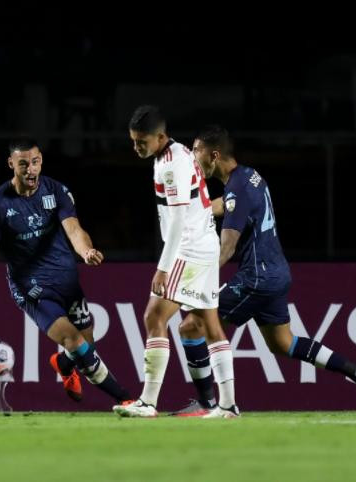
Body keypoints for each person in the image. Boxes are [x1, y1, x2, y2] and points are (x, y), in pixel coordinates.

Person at [173, 125, 356, 416]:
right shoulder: (250, 177)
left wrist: (191, 280)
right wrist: (200, 212)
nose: (194, 158)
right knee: (283, 343)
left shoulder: (237, 187)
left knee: (190, 326)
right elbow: (230, 204)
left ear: (214, 154)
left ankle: (209, 403)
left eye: (197, 151)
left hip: (256, 277)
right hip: (276, 273)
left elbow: (226, 249)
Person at [0, 137, 132, 407]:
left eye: (35, 162)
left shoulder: (56, 191)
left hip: (66, 279)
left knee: (86, 344)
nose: (30, 169)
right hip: (31, 287)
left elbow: (73, 228)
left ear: (41, 161)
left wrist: (85, 252)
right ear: (11, 164)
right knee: (74, 341)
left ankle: (62, 363)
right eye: (23, 164)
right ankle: (126, 398)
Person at [114, 106, 239, 418]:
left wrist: (163, 267)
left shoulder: (170, 166)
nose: (136, 147)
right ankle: (228, 405)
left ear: (160, 137)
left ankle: (148, 401)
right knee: (210, 326)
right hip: (204, 244)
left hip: (189, 249)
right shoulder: (178, 152)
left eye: (141, 142)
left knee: (154, 315)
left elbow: (179, 220)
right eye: (133, 141)